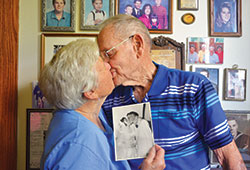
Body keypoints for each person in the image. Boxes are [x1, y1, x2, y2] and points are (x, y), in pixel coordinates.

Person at [97, 14, 247, 170]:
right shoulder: (109, 97)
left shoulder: (193, 87)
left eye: (108, 54)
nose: (105, 64)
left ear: (137, 45)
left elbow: (229, 157)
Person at [39, 39, 166, 170]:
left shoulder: (90, 112)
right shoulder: (78, 143)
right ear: (90, 91)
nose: (109, 66)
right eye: (102, 67)